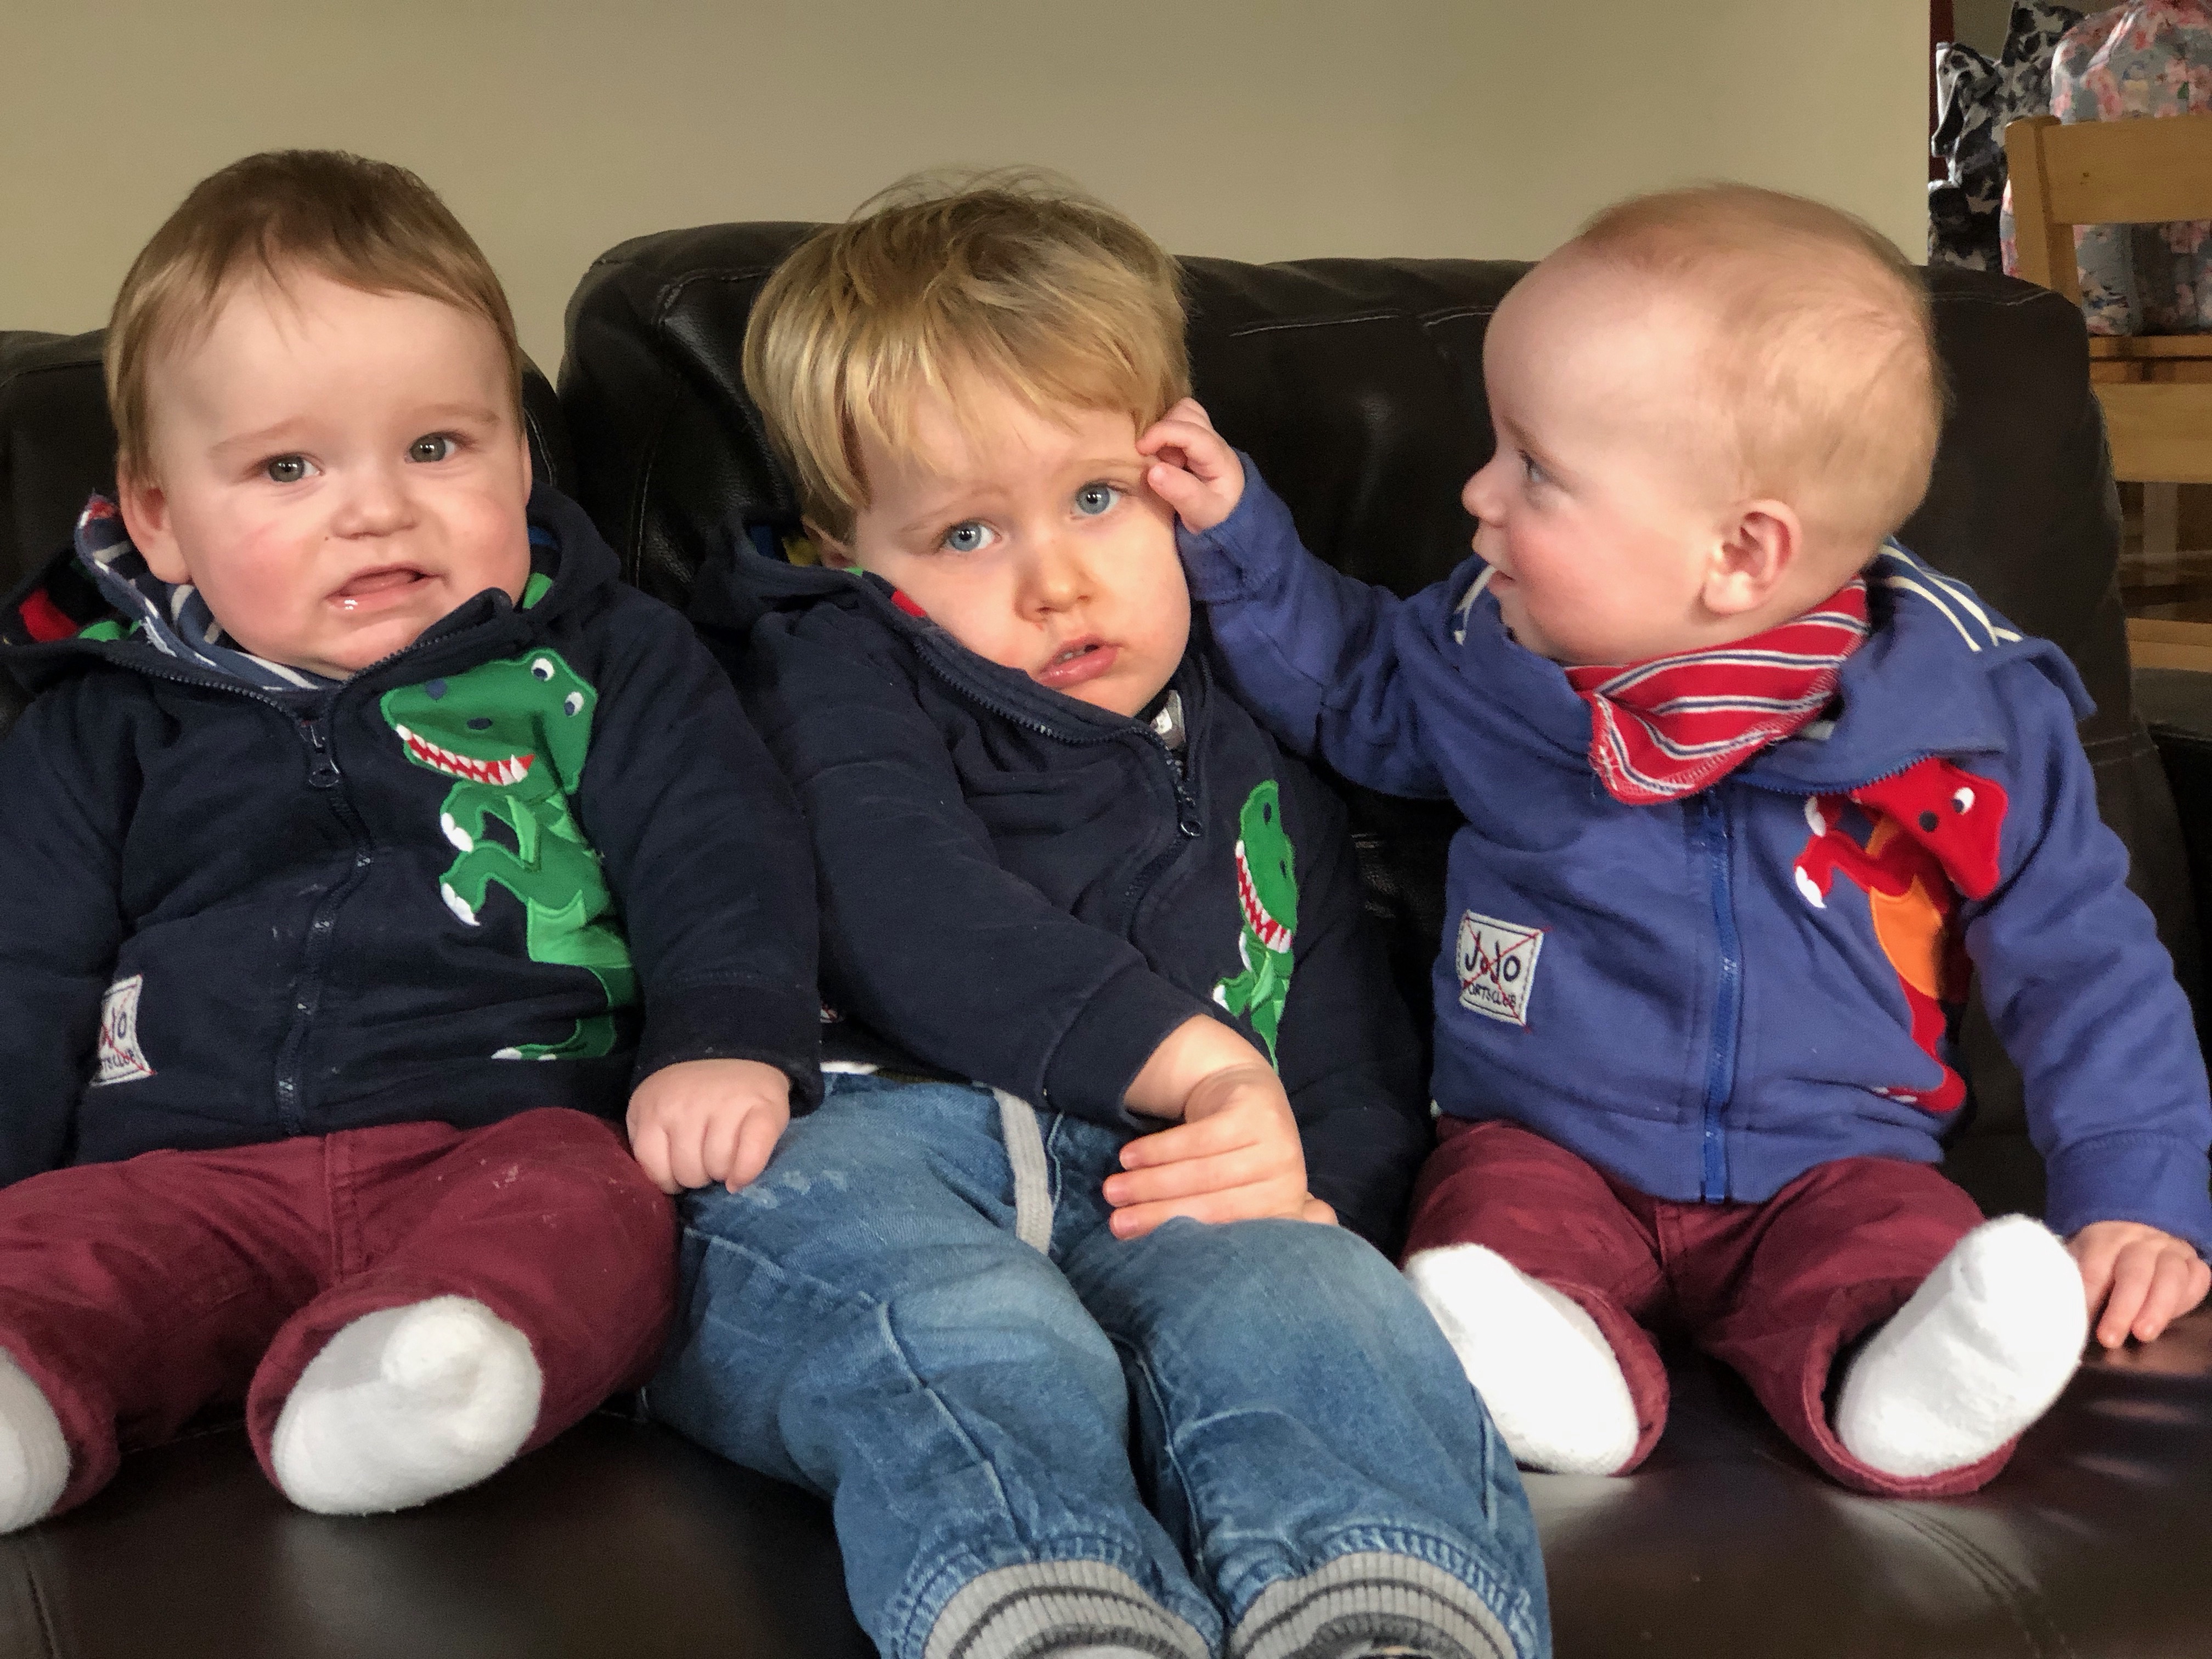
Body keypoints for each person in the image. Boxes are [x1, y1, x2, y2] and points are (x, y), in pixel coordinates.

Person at [1156, 183, 2212, 1497]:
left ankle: (1901, 1382)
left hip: (1838, 1156)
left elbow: (2085, 961)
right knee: (1485, 1238)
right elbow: (1352, 685)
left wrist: (2137, 1186)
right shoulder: (1489, 652)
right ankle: (1557, 1370)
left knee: (1900, 1251)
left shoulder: (1967, 719)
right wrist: (1239, 536)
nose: (1477, 495)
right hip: (1543, 1139)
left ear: (1739, 552)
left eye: (1534, 467)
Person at [652, 178, 1551, 1659]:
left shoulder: (1249, 739)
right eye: (963, 535)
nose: (1060, 578)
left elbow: (1338, 1041)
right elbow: (904, 904)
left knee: (1314, 1307)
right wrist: (1196, 1059)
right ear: (844, 555)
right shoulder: (832, 669)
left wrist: (1325, 1209)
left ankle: (1388, 1618)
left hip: (1165, 1186)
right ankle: (1060, 1622)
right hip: (886, 1152)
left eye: (1095, 499)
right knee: (963, 1335)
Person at [0, 150, 819, 1529]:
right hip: (174, 1166)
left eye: (438, 447)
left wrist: (726, 1035)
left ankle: (421, 1379)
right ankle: (26, 1394)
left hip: (499, 1135)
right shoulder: (102, 720)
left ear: (519, 450)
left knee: (603, 1223)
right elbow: (22, 965)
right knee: (58, 1260)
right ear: (160, 518)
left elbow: (715, 846)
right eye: (288, 466)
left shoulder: (606, 661)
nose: (376, 506)